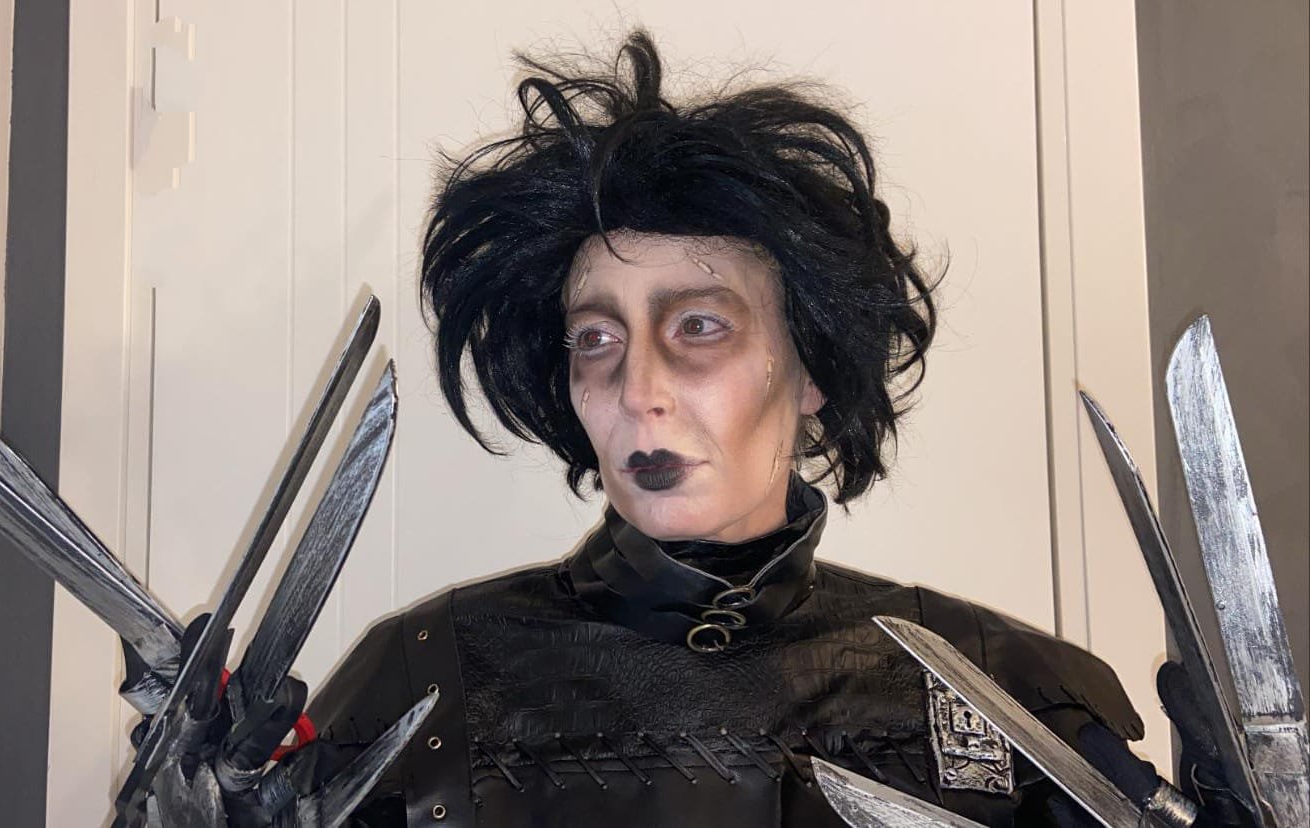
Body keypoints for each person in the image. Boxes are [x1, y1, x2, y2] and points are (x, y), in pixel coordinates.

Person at [286, 31, 1220, 827]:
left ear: (809, 370)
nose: (638, 389)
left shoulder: (1003, 688)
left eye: (699, 326)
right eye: (596, 338)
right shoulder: (422, 679)